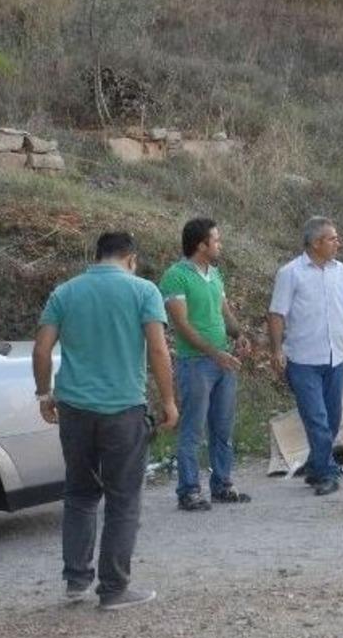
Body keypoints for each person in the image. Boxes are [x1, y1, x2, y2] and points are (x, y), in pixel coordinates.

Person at [32, 231, 178, 611]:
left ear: (97, 257)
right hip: (123, 410)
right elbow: (158, 349)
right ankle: (113, 589)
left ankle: (76, 580)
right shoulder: (143, 291)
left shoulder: (66, 292)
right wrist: (168, 401)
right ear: (131, 258)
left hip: (75, 411)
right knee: (123, 499)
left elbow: (42, 348)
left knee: (79, 493)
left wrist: (44, 394)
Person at [268, 216, 343, 496]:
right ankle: (326, 473)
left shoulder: (341, 271)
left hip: (336, 357)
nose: (338, 243)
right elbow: (276, 314)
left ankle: (315, 464)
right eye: (333, 239)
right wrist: (276, 350)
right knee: (317, 419)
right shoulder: (291, 273)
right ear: (316, 243)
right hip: (303, 360)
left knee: (331, 420)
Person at [159, 218, 252, 511]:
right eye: (216, 239)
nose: (220, 244)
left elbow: (224, 311)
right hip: (196, 363)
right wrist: (214, 353)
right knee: (193, 429)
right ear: (201, 244)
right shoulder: (176, 276)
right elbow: (182, 324)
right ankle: (188, 490)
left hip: (223, 360)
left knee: (222, 427)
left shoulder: (215, 274)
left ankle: (222, 484)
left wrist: (239, 334)